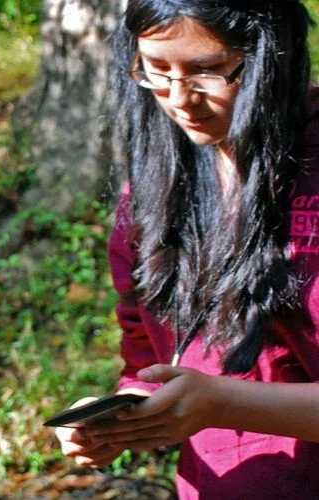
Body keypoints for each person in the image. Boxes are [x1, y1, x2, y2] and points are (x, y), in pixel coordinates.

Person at [56, 0, 319, 498]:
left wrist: (222, 403)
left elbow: (213, 395)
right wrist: (129, 412)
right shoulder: (159, 184)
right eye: (155, 69)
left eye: (207, 70)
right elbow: (147, 345)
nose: (180, 99)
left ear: (273, 56)